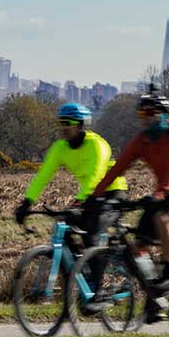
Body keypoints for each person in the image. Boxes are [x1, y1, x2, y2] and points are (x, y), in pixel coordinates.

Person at [91, 87, 169, 319]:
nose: (145, 120)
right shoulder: (143, 140)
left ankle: (168, 275)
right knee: (138, 245)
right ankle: (156, 301)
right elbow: (119, 166)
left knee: (163, 218)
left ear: (163, 114)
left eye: (150, 114)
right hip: (162, 194)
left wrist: (162, 193)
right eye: (142, 115)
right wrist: (96, 195)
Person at [14, 102, 128, 252]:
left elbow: (94, 177)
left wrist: (79, 202)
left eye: (68, 123)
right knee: (64, 229)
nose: (63, 127)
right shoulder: (60, 148)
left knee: (91, 235)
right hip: (89, 196)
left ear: (80, 125)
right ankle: (78, 268)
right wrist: (27, 202)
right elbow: (43, 176)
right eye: (61, 122)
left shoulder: (97, 145)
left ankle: (95, 274)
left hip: (112, 192)